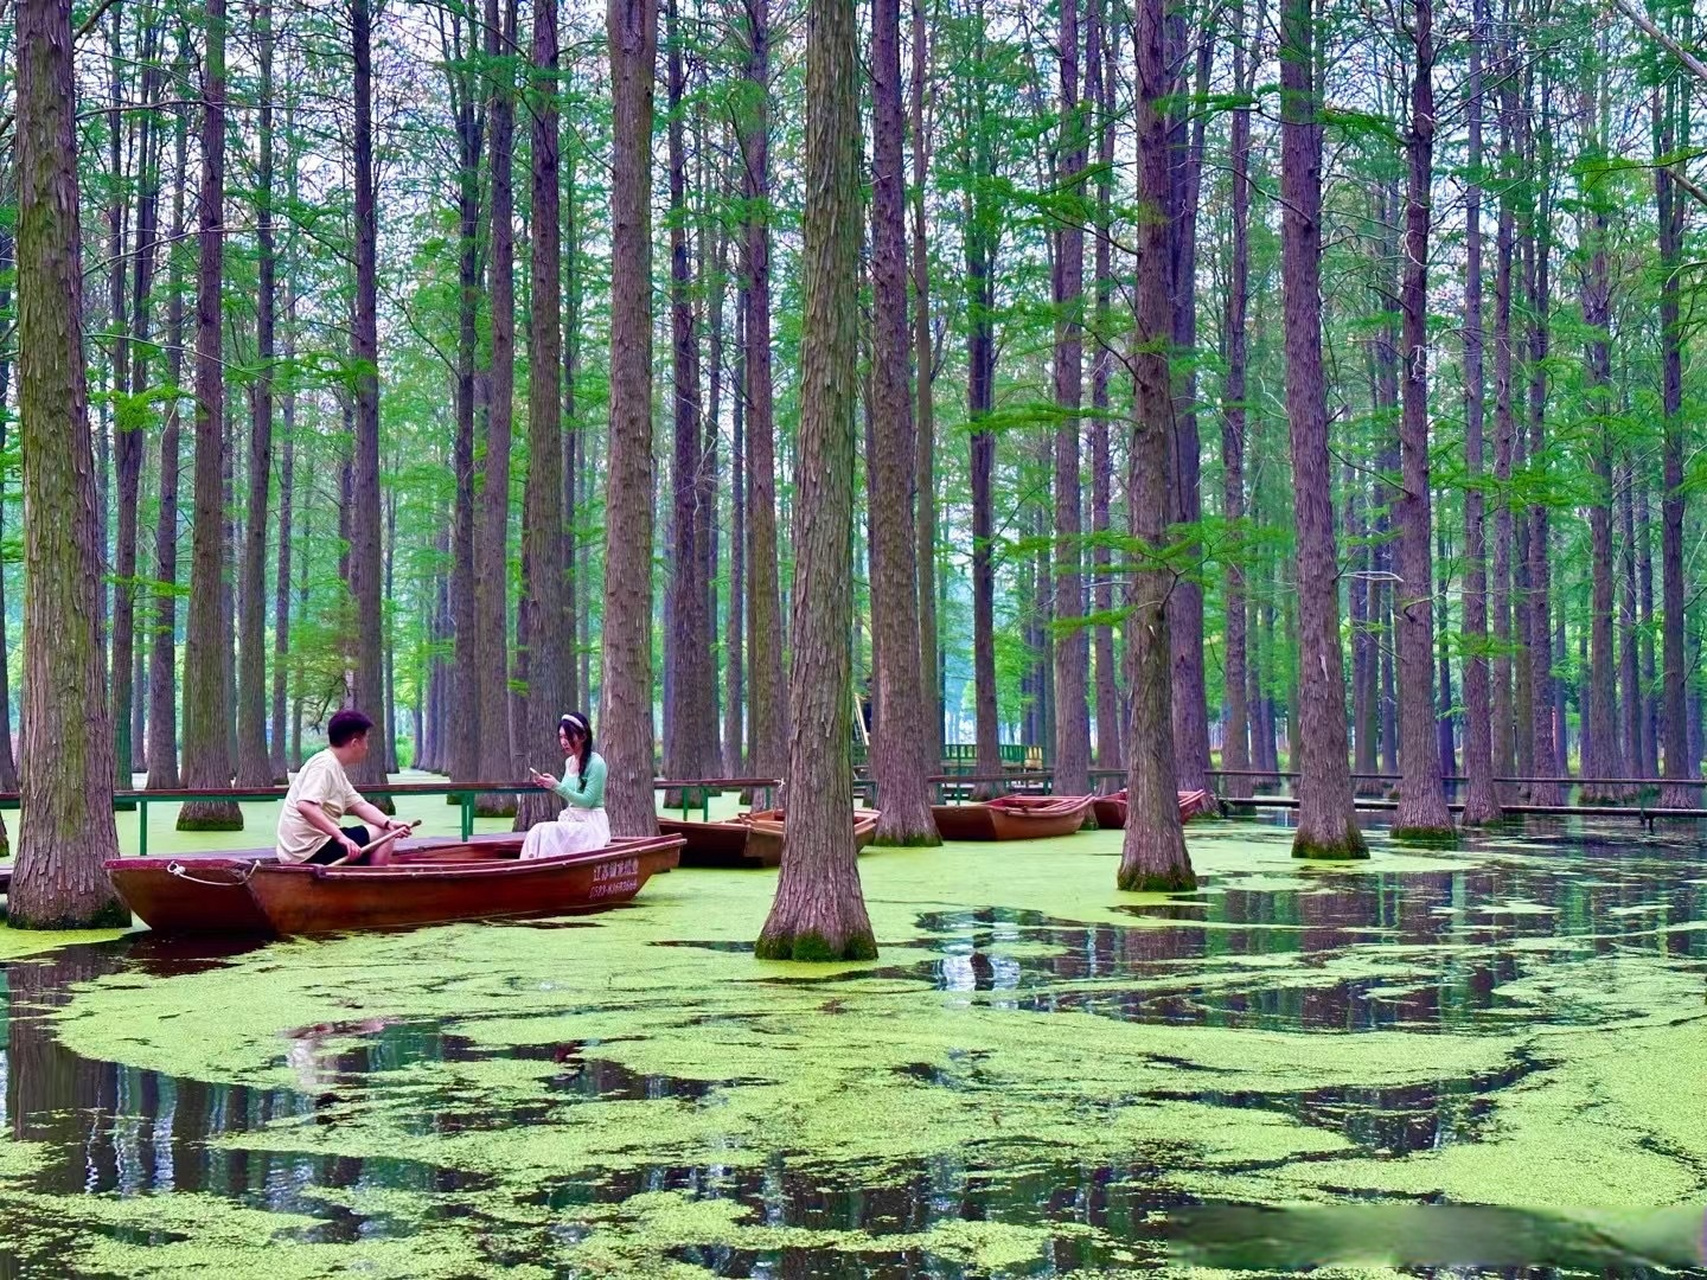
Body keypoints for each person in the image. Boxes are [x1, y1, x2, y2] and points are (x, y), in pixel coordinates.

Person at [276, 709, 410, 865]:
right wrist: (341, 837)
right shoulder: (324, 765)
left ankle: (364, 877)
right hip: (308, 851)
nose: (367, 747)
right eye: (366, 740)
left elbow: (359, 805)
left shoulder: (334, 767)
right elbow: (305, 806)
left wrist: (389, 822)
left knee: (387, 829)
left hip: (313, 847)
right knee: (385, 834)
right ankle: (374, 886)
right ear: (354, 743)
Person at [521, 712, 611, 859]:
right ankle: (530, 869)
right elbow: (567, 792)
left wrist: (557, 786)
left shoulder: (597, 763)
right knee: (538, 830)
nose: (564, 742)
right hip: (571, 821)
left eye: (568, 737)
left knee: (544, 830)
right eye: (561, 737)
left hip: (591, 824)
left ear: (583, 736)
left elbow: (587, 801)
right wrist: (548, 784)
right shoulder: (569, 762)